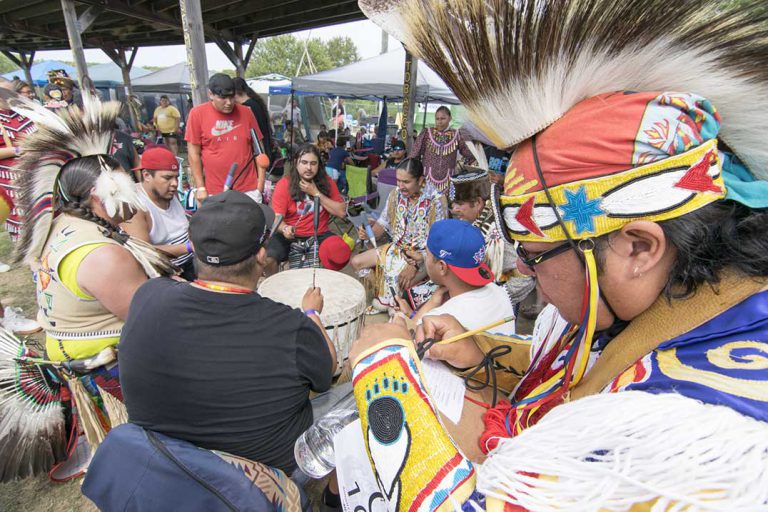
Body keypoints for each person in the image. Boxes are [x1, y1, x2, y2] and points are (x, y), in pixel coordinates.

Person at [346, 0, 768, 509]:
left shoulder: (694, 430)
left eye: (536, 255)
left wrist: (381, 367)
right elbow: (591, 377)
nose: (520, 269)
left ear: (638, 248)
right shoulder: (688, 302)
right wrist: (482, 357)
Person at [119, 190, 337, 475]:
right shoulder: (292, 326)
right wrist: (312, 313)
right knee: (352, 399)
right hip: (263, 478)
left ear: (193, 250)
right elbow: (327, 373)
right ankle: (333, 497)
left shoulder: (148, 295)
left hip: (169, 466)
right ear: (261, 257)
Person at [350, 158, 447, 309]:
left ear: (420, 180)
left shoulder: (436, 200)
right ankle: (382, 294)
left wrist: (414, 266)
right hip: (397, 248)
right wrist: (369, 233)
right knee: (356, 262)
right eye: (398, 181)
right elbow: (383, 223)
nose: (400, 186)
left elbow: (438, 243)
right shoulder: (395, 194)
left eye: (406, 182)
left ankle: (393, 297)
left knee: (399, 287)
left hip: (423, 256)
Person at [395, 219, 516, 336]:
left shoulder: (442, 319)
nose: (425, 259)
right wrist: (412, 313)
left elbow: (406, 341)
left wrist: (421, 310)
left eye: (427, 254)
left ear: (442, 267)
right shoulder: (500, 293)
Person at [185, 73, 268, 204]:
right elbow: (193, 153)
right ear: (210, 94)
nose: (229, 103)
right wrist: (200, 187)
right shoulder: (197, 114)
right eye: (223, 98)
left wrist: (260, 186)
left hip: (248, 189)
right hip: (215, 190)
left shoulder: (247, 112)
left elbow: (259, 150)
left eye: (231, 97)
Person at [264, 144, 346, 276]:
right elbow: (276, 218)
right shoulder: (284, 184)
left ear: (319, 165)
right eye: (304, 162)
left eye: (313, 163)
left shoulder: (327, 182)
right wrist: (285, 229)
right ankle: (273, 289)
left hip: (319, 233)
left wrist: (316, 193)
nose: (309, 167)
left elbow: (341, 212)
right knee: (268, 259)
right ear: (296, 163)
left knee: (339, 252)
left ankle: (324, 285)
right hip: (290, 234)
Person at [121, 147, 194, 280]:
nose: (175, 184)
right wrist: (189, 247)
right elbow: (144, 253)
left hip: (193, 261)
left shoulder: (169, 192)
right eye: (167, 178)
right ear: (147, 176)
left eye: (176, 177)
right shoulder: (135, 206)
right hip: (168, 272)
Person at [0, 77, 36, 246]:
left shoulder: (24, 114)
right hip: (9, 180)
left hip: (36, 173)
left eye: (10, 92)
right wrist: (16, 150)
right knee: (22, 221)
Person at [410, 105, 475, 195]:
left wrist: (472, 162)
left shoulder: (457, 134)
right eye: (437, 119)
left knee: (444, 205)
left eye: (443, 118)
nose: (439, 122)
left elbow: (468, 154)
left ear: (450, 118)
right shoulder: (427, 133)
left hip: (447, 180)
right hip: (427, 178)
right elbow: (415, 153)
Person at [233, 77, 274, 162]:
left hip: (256, 150)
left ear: (236, 92)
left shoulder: (246, 108)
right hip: (264, 146)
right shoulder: (255, 103)